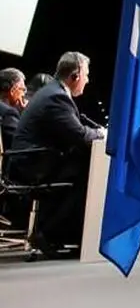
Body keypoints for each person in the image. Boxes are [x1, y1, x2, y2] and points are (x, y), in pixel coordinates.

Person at [11, 52, 104, 256]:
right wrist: (101, 134)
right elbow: (80, 135)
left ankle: (60, 233)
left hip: (33, 159)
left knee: (83, 162)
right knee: (89, 169)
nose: (87, 80)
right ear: (75, 76)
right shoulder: (56, 97)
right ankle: (50, 233)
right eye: (86, 75)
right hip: (32, 164)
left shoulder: (52, 92)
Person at [0, 67, 26, 151]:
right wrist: (26, 114)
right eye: (23, 90)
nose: (24, 95)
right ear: (13, 90)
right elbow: (21, 143)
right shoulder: (8, 114)